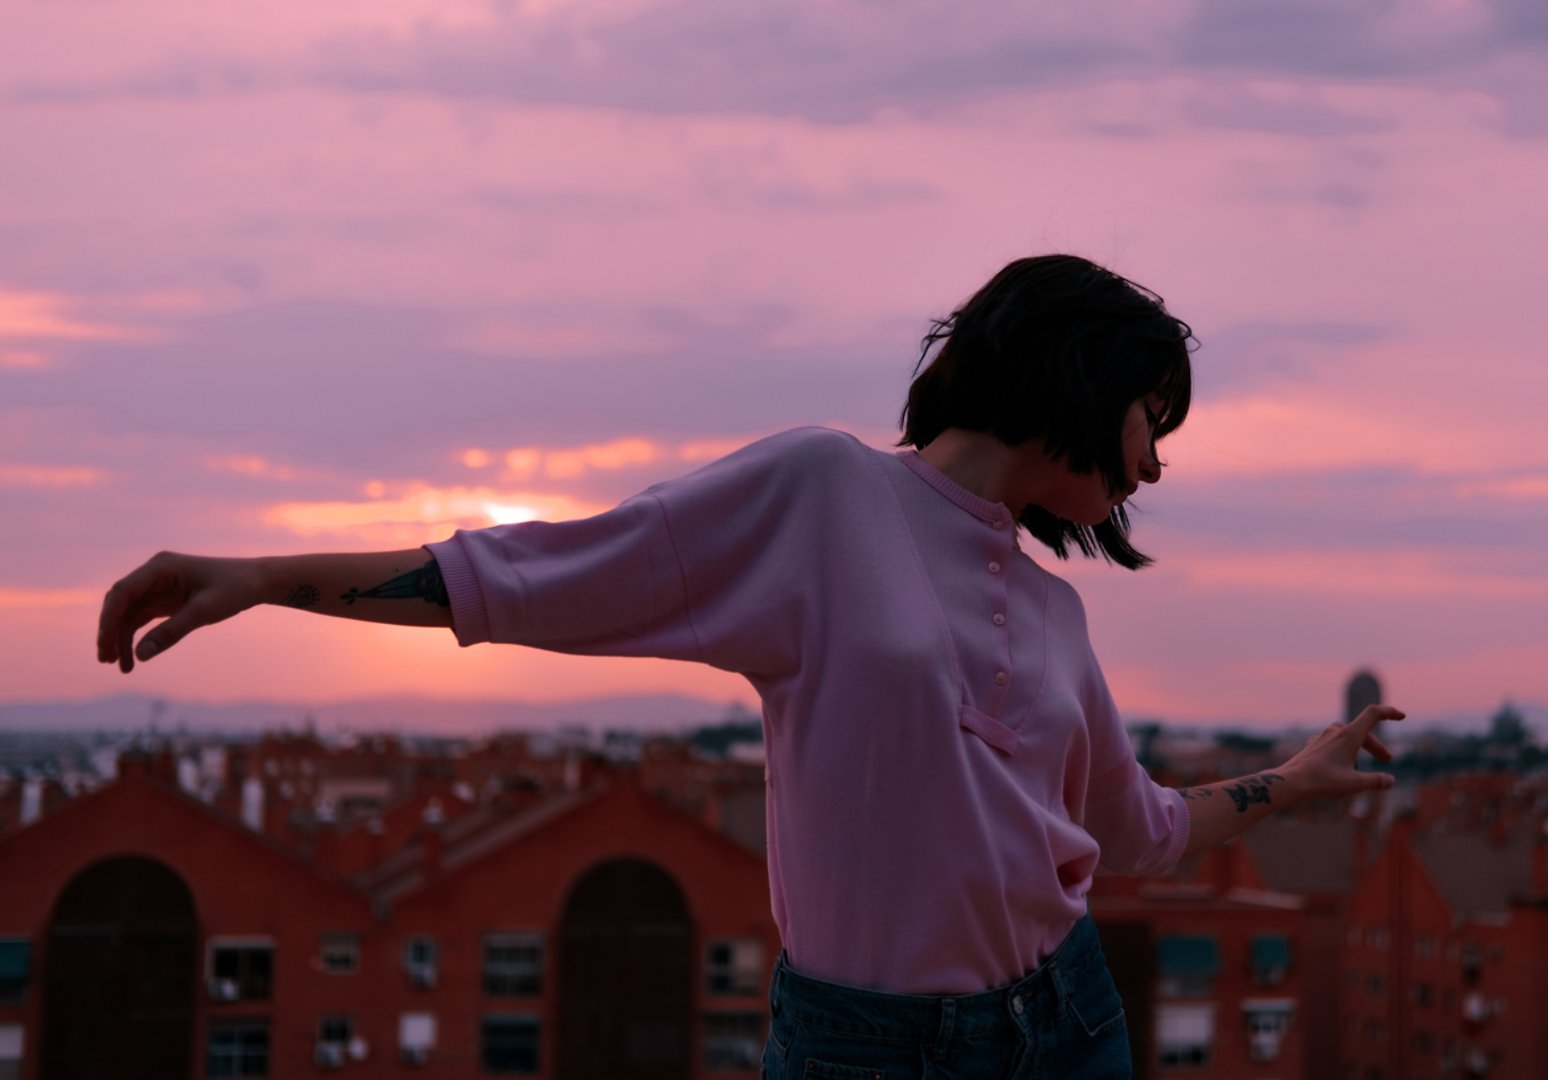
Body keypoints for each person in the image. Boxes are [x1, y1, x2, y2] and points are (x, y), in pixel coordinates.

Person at [96, 254, 1402, 1079]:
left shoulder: (1060, 618)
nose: (1160, 462)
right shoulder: (821, 492)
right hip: (866, 1049)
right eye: (1151, 419)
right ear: (1082, 374)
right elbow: (539, 574)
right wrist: (265, 580)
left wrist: (1294, 780)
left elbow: (1139, 835)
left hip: (1067, 1025)